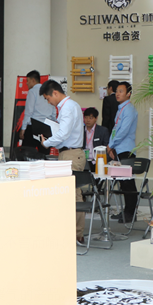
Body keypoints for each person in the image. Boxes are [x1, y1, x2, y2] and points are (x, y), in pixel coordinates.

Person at [38, 79, 87, 245]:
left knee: (73, 194)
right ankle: (73, 232)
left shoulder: (67, 107)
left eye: (48, 98)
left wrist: (46, 142)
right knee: (70, 193)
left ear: (55, 93)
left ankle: (76, 234)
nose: (49, 102)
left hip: (71, 154)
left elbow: (64, 133)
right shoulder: (70, 106)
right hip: (69, 153)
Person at [108, 81, 138, 224]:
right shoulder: (121, 109)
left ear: (128, 94)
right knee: (123, 183)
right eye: (117, 91)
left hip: (126, 150)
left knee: (128, 183)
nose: (117, 94)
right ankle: (126, 211)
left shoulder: (129, 109)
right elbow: (115, 130)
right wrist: (112, 147)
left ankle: (131, 213)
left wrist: (111, 145)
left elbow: (123, 131)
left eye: (121, 91)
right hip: (119, 149)